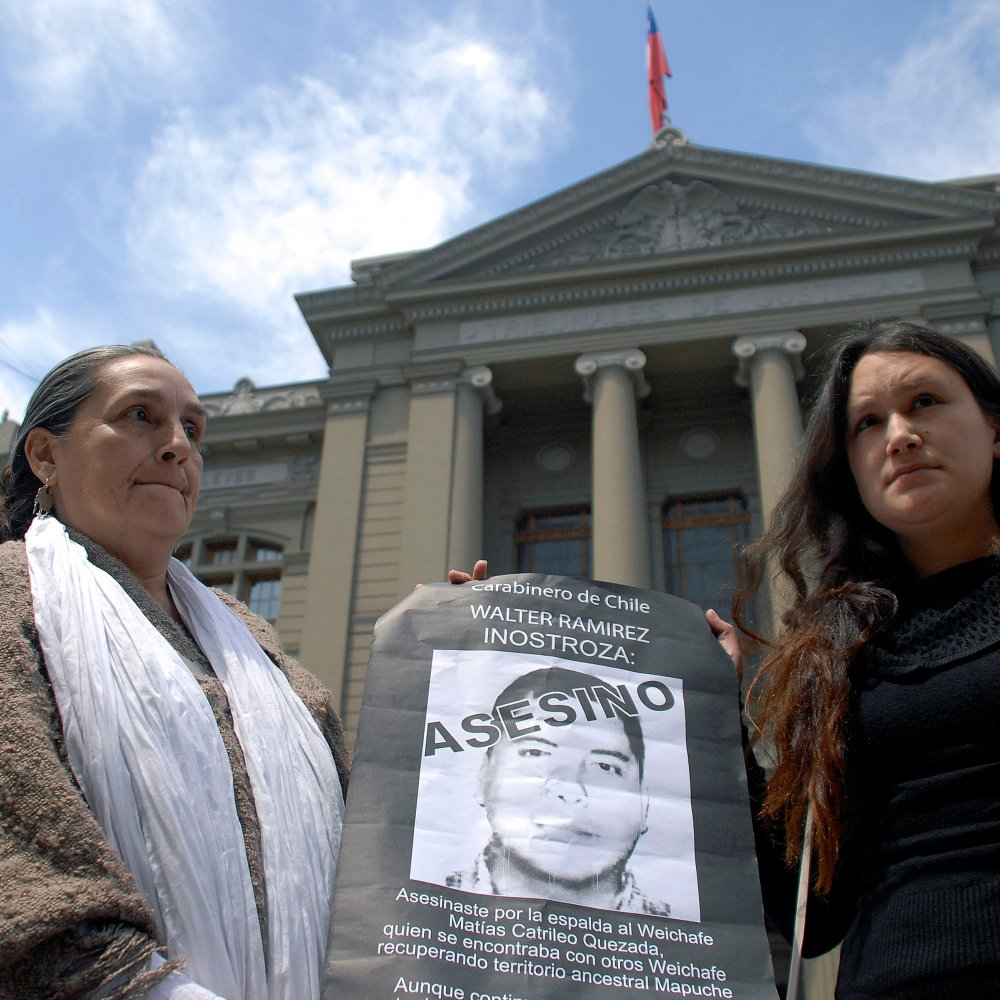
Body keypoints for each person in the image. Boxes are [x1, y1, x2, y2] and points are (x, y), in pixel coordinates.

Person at [0, 344, 350, 1000]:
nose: (177, 446)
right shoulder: (12, 602)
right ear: (45, 456)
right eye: (140, 416)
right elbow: (23, 871)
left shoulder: (257, 650)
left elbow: (361, 841)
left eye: (193, 428)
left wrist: (454, 674)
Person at [708, 320, 1000, 999]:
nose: (899, 435)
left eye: (925, 402)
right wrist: (719, 723)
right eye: (868, 423)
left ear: (993, 428)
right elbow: (812, 917)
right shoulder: (840, 655)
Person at [445, 666, 670, 916]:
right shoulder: (417, 909)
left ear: (644, 803)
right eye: (536, 753)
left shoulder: (689, 940)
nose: (571, 790)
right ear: (483, 777)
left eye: (605, 767)